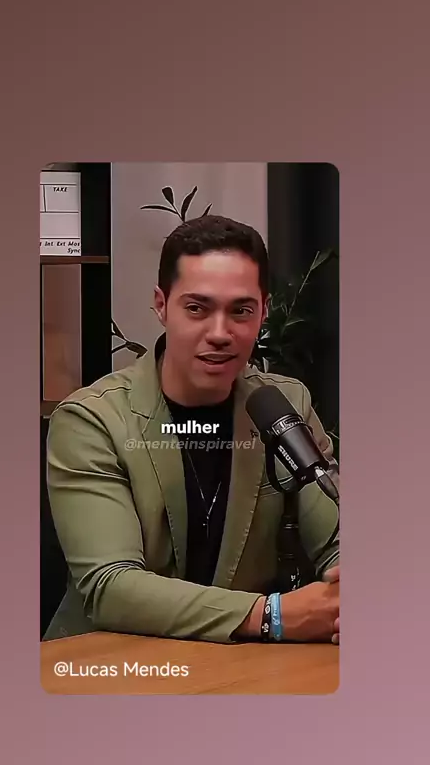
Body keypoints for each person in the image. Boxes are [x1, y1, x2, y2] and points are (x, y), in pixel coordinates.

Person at [45, 215, 340, 644]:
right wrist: (272, 615)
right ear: (161, 305)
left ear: (263, 311)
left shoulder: (284, 404)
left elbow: (336, 538)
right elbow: (111, 586)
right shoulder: (92, 419)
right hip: (111, 661)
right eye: (197, 308)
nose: (220, 334)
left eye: (241, 311)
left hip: (243, 665)